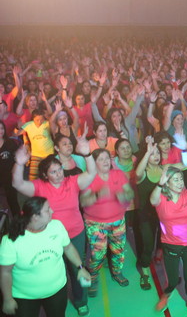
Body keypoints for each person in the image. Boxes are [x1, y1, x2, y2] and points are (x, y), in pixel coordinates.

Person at [12, 131, 96, 317]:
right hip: (48, 237)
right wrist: (19, 163)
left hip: (75, 233)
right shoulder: (40, 187)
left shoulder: (72, 181)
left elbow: (91, 174)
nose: (59, 174)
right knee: (53, 270)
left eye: (60, 170)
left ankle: (81, 301)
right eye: (53, 172)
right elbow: (17, 184)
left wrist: (87, 154)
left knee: (77, 269)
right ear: (45, 174)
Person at [0, 197, 92, 317]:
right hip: (25, 297)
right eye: (47, 210)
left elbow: (68, 248)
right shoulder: (11, 241)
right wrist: (7, 299)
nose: (52, 211)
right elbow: (5, 272)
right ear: (35, 216)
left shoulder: (57, 226)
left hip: (57, 291)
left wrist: (81, 267)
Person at [151, 164, 187, 316]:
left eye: (181, 179)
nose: (180, 183)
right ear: (167, 182)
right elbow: (152, 200)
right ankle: (166, 295)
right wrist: (159, 184)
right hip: (170, 245)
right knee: (171, 280)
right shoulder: (161, 199)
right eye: (175, 180)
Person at [79, 148, 134, 296]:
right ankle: (93, 277)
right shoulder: (88, 178)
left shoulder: (118, 174)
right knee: (98, 254)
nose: (105, 161)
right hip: (95, 223)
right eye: (101, 159)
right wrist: (97, 195)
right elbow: (83, 201)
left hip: (118, 221)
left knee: (118, 250)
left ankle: (117, 272)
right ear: (94, 162)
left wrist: (125, 196)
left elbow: (130, 192)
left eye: (107, 158)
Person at [134, 138, 163, 290]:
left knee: (165, 242)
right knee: (148, 245)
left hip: (163, 215)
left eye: (157, 153)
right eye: (152, 154)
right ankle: (145, 270)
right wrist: (148, 151)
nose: (156, 156)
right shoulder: (142, 173)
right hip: (146, 216)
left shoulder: (164, 170)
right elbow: (137, 173)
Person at [0, 120, 19, 216]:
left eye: (2, 128)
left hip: (9, 177)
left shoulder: (10, 143)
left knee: (13, 202)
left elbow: (17, 157)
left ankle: (18, 222)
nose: (1, 131)